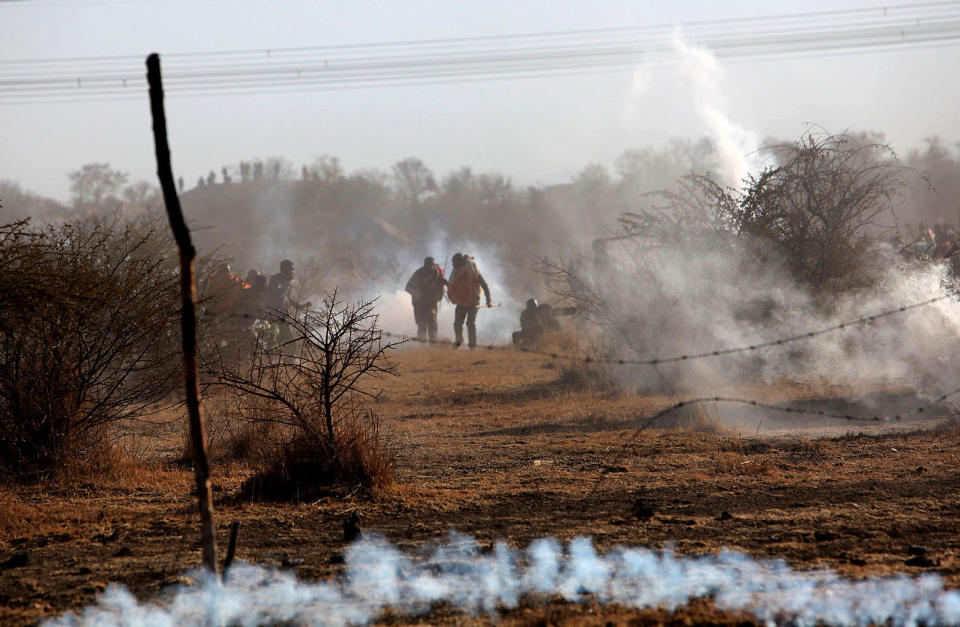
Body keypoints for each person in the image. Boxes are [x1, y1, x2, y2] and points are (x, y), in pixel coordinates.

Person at [447, 252, 491, 349]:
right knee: (457, 323)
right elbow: (452, 285)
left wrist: (488, 300)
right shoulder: (456, 272)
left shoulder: (473, 271)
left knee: (470, 323)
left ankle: (472, 346)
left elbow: (484, 285)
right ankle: (459, 340)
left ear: (460, 261)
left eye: (454, 262)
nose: (453, 265)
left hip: (473, 301)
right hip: (461, 301)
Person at [265, 259, 311, 347]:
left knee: (289, 342)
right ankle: (269, 359)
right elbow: (278, 293)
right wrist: (287, 283)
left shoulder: (289, 281)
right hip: (271, 314)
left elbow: (287, 298)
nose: (292, 271)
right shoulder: (275, 279)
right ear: (283, 269)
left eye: (293, 269)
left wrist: (300, 306)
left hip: (282, 314)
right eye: (290, 269)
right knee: (272, 341)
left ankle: (288, 360)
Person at [404, 256, 446, 342]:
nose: (430, 268)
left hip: (432, 304)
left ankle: (433, 346)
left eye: (431, 266)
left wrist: (436, 298)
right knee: (422, 325)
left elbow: (440, 290)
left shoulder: (438, 274)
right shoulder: (418, 273)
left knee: (432, 324)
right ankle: (422, 346)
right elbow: (408, 287)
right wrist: (419, 296)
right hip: (419, 304)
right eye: (428, 266)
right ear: (424, 265)